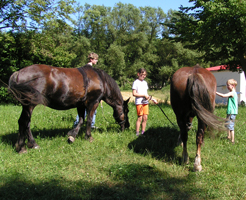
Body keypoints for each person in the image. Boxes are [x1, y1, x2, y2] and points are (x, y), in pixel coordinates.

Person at [73, 52, 100, 129]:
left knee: (90, 110)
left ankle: (78, 124)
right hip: (87, 95)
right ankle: (85, 125)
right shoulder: (90, 71)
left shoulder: (83, 69)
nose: (97, 61)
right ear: (91, 59)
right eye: (96, 59)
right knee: (86, 110)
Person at [132, 68, 158, 136]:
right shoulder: (135, 82)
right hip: (139, 102)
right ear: (138, 74)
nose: (144, 76)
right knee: (140, 118)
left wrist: (153, 99)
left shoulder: (145, 83)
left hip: (145, 102)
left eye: (145, 75)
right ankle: (137, 133)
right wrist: (143, 95)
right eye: (142, 74)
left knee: (145, 117)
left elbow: (146, 94)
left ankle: (143, 132)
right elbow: (134, 94)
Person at [216, 79, 238, 144]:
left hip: (232, 112)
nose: (227, 87)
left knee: (231, 126)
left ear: (233, 86)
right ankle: (228, 136)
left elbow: (223, 95)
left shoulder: (232, 93)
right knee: (228, 124)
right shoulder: (234, 93)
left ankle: (232, 140)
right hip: (230, 112)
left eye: (228, 85)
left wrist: (215, 92)